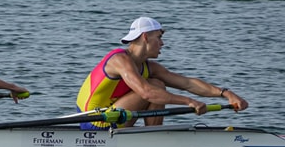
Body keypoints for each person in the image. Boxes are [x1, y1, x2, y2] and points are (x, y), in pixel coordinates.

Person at [76, 16, 249, 126]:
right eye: (159, 37)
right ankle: (153, 136)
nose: (162, 44)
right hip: (93, 121)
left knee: (157, 83)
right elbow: (147, 93)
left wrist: (226, 93)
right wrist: (189, 102)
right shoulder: (119, 60)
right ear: (145, 37)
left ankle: (153, 134)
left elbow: (188, 83)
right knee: (154, 87)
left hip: (115, 116)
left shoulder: (149, 67)